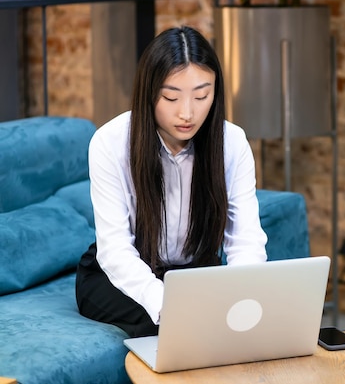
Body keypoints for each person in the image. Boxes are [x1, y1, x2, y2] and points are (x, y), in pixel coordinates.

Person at [75, 26, 268, 338]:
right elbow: (115, 251)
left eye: (202, 95)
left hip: (194, 273)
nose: (187, 113)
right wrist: (171, 306)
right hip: (120, 275)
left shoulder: (232, 142)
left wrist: (243, 295)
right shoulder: (110, 143)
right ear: (149, 91)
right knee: (177, 327)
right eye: (171, 97)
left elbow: (246, 241)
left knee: (244, 319)